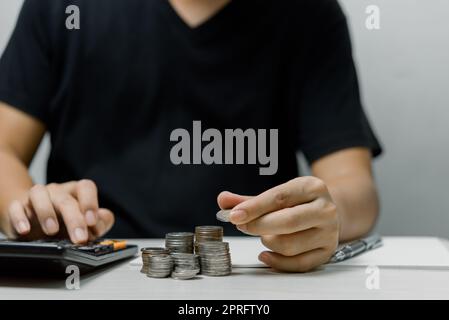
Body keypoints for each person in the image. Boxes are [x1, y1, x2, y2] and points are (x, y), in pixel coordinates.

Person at [0, 0, 382, 272]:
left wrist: (325, 217)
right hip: (92, 263)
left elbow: (354, 186)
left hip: (255, 273)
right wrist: (24, 210)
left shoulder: (309, 14)